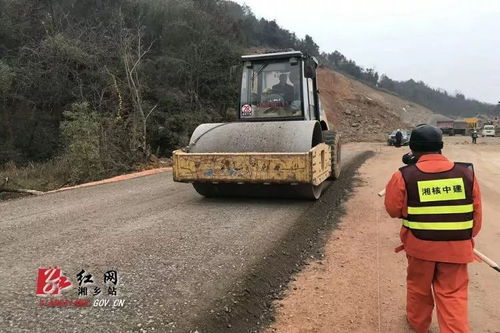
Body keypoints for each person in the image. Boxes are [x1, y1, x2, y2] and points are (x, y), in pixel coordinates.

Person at [384, 124, 482, 333]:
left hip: (420, 248)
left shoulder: (404, 175)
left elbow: (392, 210)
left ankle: (418, 325)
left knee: (419, 289)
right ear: (441, 146)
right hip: (457, 248)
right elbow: (476, 221)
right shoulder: (466, 174)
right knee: (452, 294)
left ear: (412, 147)